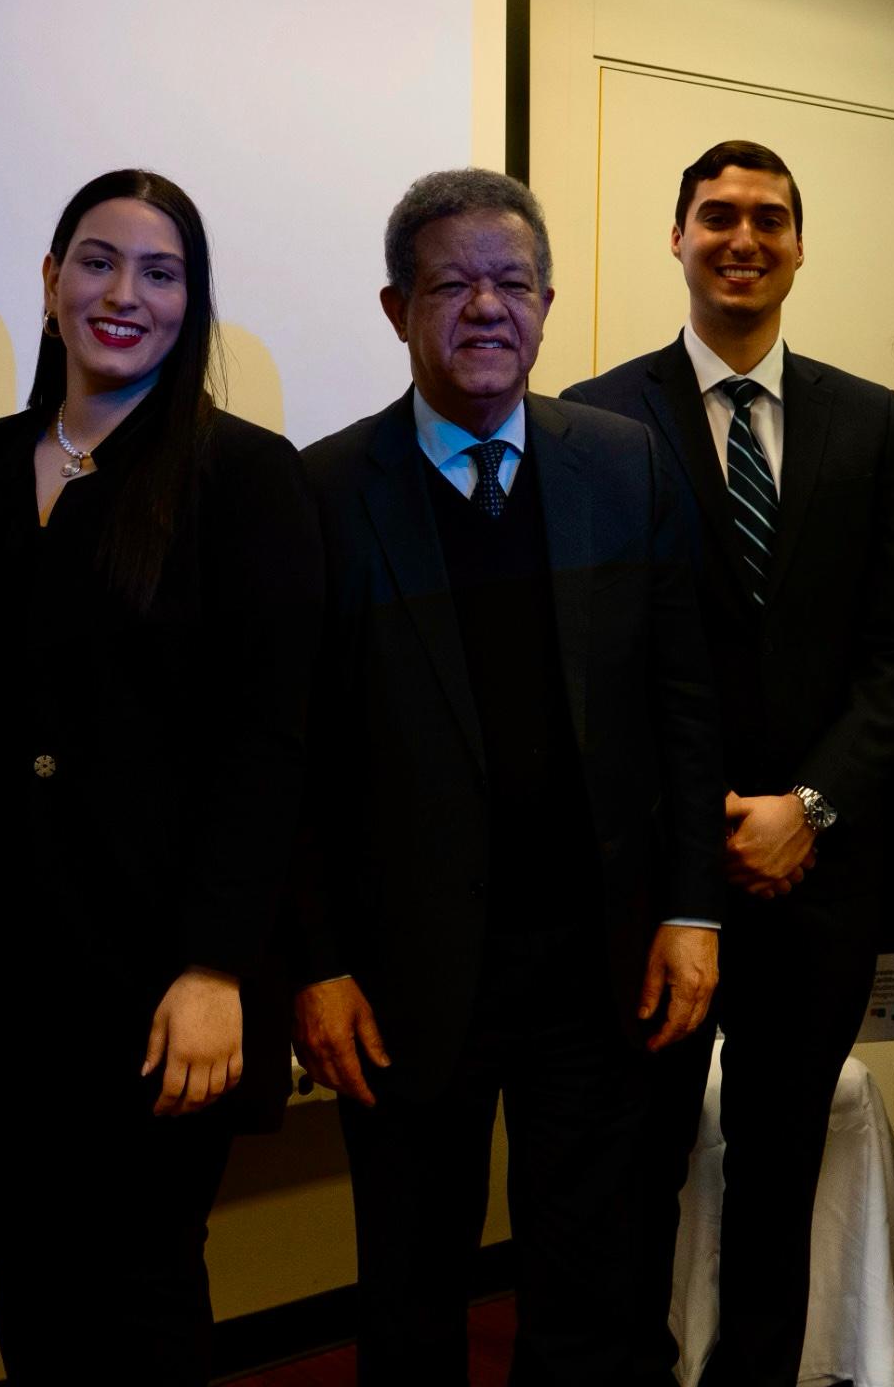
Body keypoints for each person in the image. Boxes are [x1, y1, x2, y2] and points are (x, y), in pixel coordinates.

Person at [292, 167, 724, 1385]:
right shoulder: (323, 494)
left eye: (512, 284)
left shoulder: (625, 467)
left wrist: (692, 908)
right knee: (412, 1290)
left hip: (596, 964)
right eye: (451, 285)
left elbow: (686, 709)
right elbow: (297, 761)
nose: (486, 309)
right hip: (400, 977)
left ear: (546, 302)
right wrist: (316, 961)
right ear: (395, 310)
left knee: (591, 1288)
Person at [0, 169, 324, 1384]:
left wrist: (215, 967)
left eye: (161, 273)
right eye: (97, 262)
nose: (123, 295)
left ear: (190, 305)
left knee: (140, 1295)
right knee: (28, 1280)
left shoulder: (245, 475)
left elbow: (272, 741)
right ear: (48, 283)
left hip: (157, 988)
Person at [566, 138, 894, 1386]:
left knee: (779, 1165)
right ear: (675, 238)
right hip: (656, 881)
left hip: (818, 877)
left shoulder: (866, 422)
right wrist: (700, 826)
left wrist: (810, 808)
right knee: (637, 1163)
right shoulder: (596, 419)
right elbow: (593, 662)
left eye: (768, 219)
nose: (742, 238)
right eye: (716, 216)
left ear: (797, 244)